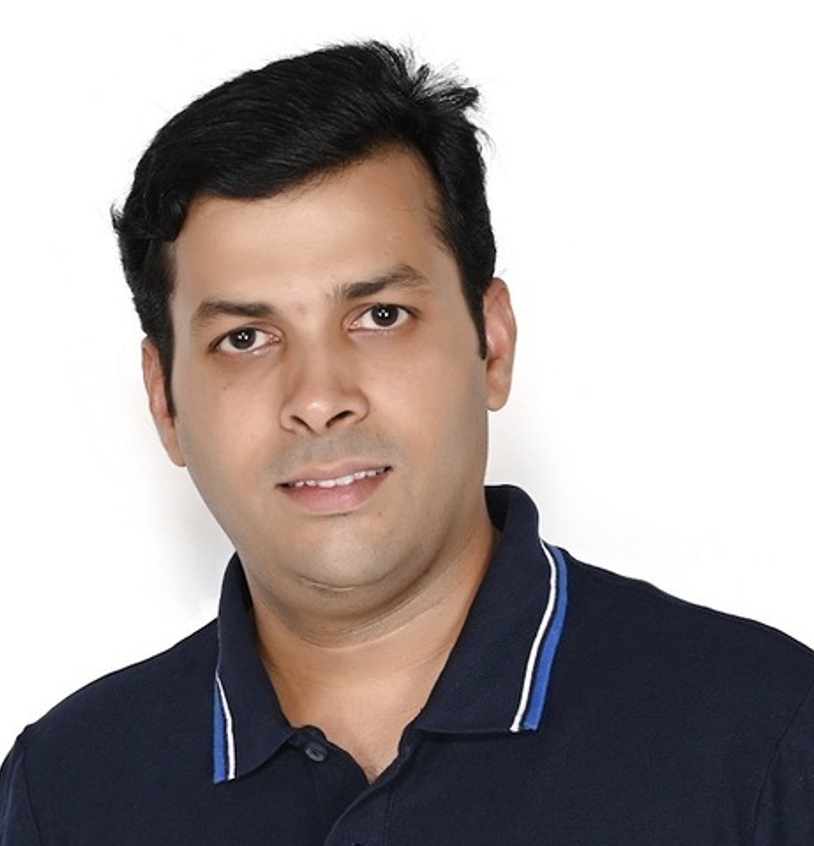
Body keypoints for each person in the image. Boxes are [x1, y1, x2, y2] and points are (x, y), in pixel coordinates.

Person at [1, 40, 812, 845]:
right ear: (165, 401)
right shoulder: (66, 791)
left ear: (492, 344)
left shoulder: (764, 738)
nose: (319, 400)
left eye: (380, 316)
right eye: (246, 338)